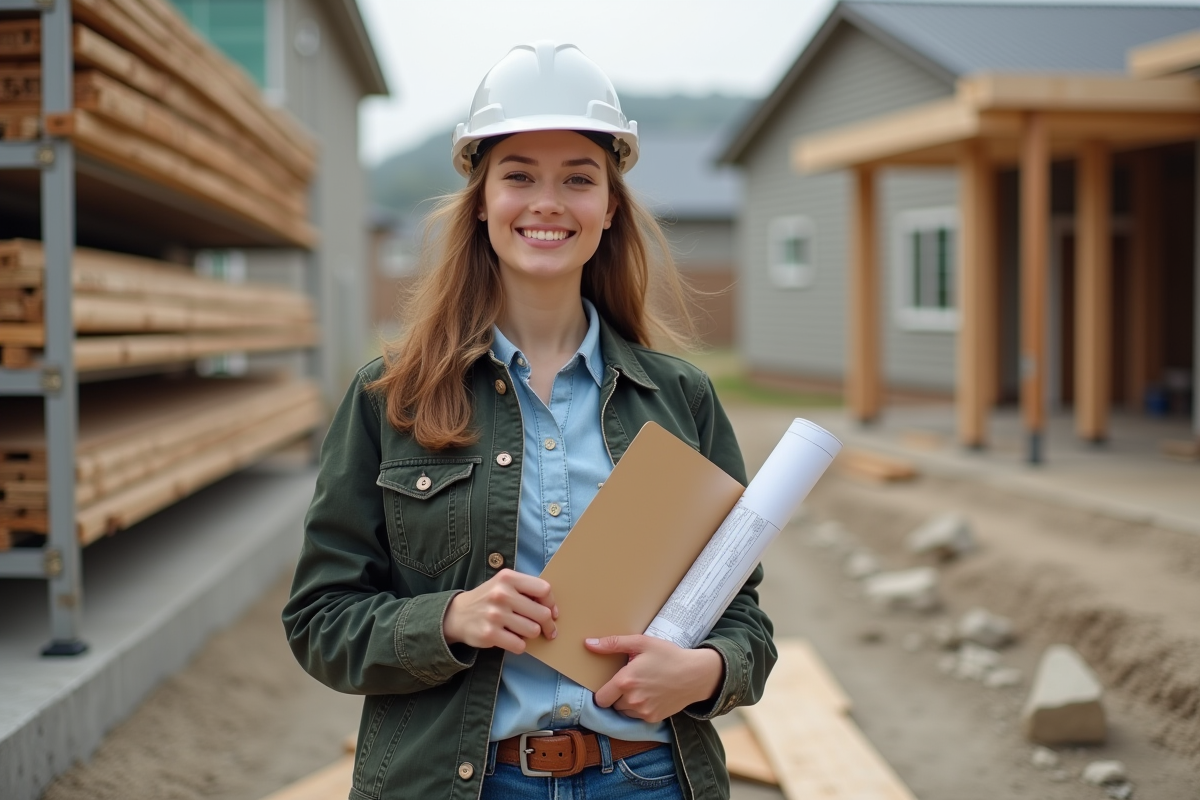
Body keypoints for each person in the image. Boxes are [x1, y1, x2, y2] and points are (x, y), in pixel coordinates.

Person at [283, 41, 775, 800]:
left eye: (578, 179)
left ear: (609, 208)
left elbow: (742, 617)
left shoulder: (684, 400)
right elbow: (320, 620)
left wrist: (705, 672)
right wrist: (450, 618)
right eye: (519, 176)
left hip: (644, 779)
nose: (548, 202)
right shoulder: (393, 397)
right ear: (482, 202)